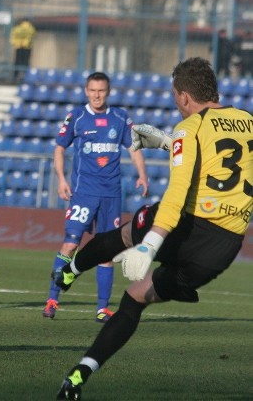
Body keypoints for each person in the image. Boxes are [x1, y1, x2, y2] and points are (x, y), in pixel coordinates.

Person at [55, 57, 252, 400]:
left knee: (128, 234)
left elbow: (177, 192)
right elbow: (220, 158)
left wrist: (150, 245)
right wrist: (165, 142)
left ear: (185, 97)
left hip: (188, 226)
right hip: (223, 248)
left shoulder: (189, 128)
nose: (176, 103)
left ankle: (70, 269)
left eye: (176, 97)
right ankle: (80, 373)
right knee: (134, 298)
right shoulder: (248, 120)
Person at [44, 71, 148, 323]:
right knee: (70, 244)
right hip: (84, 193)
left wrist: (142, 175)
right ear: (86, 91)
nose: (97, 95)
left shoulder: (120, 118)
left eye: (101, 90)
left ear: (108, 91)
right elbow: (59, 148)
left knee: (106, 251)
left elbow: (134, 148)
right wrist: (61, 179)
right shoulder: (77, 117)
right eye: (92, 90)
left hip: (111, 195)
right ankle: (52, 299)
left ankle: (102, 308)